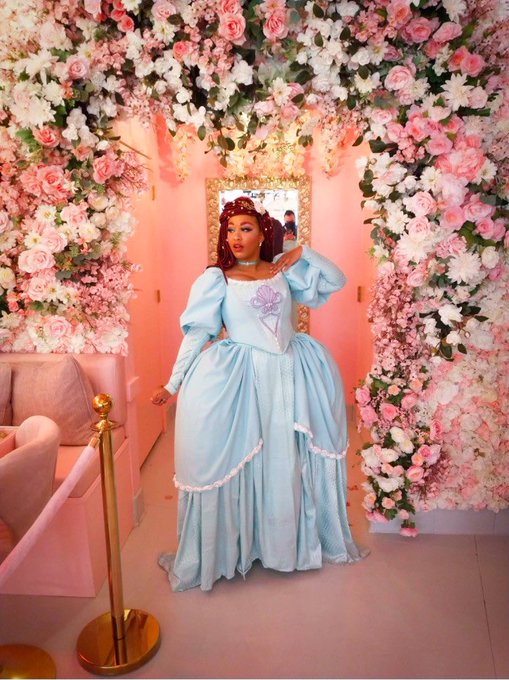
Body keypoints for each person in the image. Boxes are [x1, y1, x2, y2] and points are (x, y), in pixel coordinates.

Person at [152, 196, 367, 592]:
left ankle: (284, 545)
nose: (236, 237)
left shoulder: (283, 269)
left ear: (263, 233)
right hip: (242, 376)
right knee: (244, 456)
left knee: (286, 458)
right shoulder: (216, 279)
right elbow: (198, 334)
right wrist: (173, 383)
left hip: (290, 371)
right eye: (230, 230)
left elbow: (335, 280)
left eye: (245, 228)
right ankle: (240, 547)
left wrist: (304, 251)